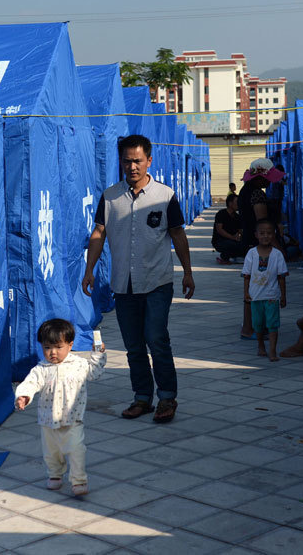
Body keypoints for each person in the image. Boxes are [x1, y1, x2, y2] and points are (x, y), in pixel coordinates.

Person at [82, 134, 194, 424]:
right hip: (123, 284)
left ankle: (167, 397)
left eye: (138, 161)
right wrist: (89, 269)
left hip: (157, 281)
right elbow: (98, 233)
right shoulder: (110, 197)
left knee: (156, 339)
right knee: (133, 346)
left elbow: (178, 235)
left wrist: (188, 272)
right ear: (121, 162)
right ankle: (142, 398)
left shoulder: (164, 195)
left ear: (149, 161)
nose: (132, 167)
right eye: (127, 161)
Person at [15, 319, 107, 497]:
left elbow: (94, 372)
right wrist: (23, 396)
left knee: (76, 450)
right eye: (47, 347)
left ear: (70, 345)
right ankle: (55, 474)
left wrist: (98, 353)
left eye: (58, 347)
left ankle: (79, 480)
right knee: (51, 452)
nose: (53, 353)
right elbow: (30, 383)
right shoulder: (42, 368)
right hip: (48, 420)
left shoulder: (79, 365)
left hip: (73, 419)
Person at [237, 158, 285, 338]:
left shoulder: (245, 191)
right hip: (258, 247)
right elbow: (263, 225)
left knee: (253, 285)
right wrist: (277, 248)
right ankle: (250, 327)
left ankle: (251, 325)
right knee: (257, 288)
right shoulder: (257, 194)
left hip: (249, 244)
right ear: (260, 178)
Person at [242, 220, 287, 361]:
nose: (265, 236)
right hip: (255, 296)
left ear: (274, 235)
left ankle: (272, 350)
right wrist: (246, 293)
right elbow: (246, 276)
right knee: (258, 325)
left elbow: (281, 277)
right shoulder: (251, 253)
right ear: (256, 235)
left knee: (273, 325)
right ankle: (261, 346)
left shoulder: (277, 255)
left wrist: (283, 296)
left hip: (272, 296)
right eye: (262, 233)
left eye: (269, 233)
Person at [213, 193, 243, 264]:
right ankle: (224, 257)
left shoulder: (237, 217)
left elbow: (240, 231)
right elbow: (220, 230)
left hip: (233, 240)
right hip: (219, 241)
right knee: (230, 244)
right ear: (230, 203)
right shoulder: (221, 214)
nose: (238, 204)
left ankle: (234, 255)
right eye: (237, 202)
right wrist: (232, 237)